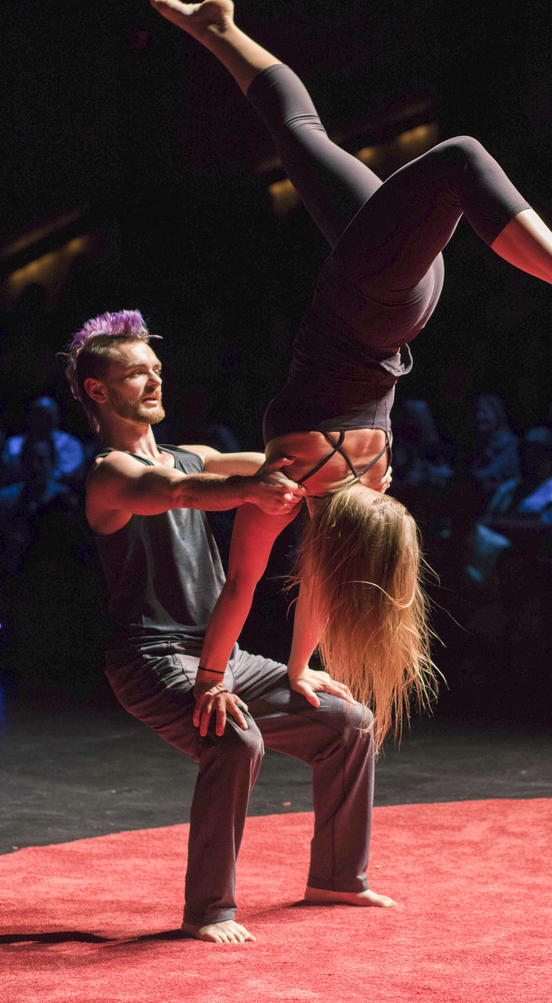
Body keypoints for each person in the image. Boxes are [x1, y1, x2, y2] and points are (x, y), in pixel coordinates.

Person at [148, 0, 552, 746]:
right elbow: (242, 588)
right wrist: (209, 679)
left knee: (300, 136)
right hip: (369, 297)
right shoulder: (286, 485)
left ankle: (220, 31)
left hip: (397, 296)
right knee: (459, 159)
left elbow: (316, 586)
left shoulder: (372, 482)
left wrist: (298, 674)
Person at [64, 308, 395, 946]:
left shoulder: (197, 456)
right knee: (234, 743)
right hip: (150, 659)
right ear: (99, 392)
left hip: (224, 657)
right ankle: (209, 910)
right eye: (136, 374)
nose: (154, 381)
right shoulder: (110, 473)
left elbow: (285, 464)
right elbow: (177, 491)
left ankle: (336, 878)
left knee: (348, 724)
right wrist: (249, 491)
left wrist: (353, 468)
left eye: (157, 370)